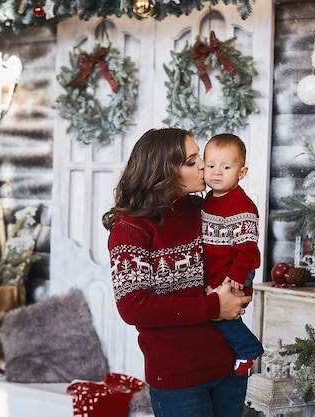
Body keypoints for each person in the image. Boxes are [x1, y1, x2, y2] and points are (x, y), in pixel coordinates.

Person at [102, 128, 252, 417]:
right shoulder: (131, 228)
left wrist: (237, 294)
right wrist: (213, 306)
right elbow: (133, 307)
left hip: (228, 366)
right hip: (177, 378)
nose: (203, 166)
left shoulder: (204, 209)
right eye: (191, 161)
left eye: (200, 157)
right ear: (164, 172)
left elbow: (239, 256)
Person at [202, 133, 264, 376]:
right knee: (210, 313)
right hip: (217, 270)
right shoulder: (208, 200)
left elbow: (248, 251)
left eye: (226, 167)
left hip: (235, 271)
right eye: (211, 166)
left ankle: (248, 348)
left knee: (221, 315)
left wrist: (237, 276)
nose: (217, 172)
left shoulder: (241, 207)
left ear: (241, 172)